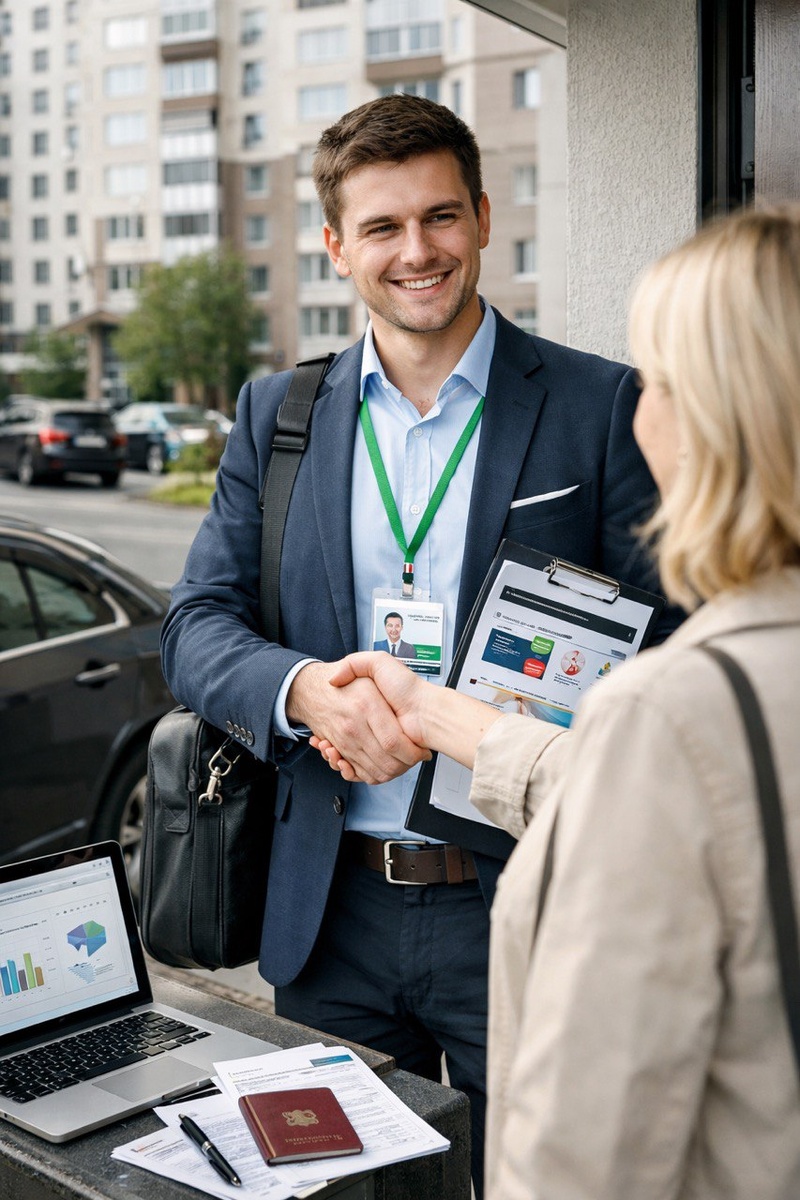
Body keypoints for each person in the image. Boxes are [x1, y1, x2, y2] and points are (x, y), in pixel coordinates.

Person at [161, 93, 677, 1193]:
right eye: (383, 228)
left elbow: (670, 649)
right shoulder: (277, 416)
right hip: (328, 906)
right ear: (337, 246)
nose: (417, 252)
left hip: (525, 898)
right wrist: (305, 692)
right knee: (337, 1189)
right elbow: (196, 623)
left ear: (485, 217)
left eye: (440, 217)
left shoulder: (599, 405)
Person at [315, 206, 800, 1198]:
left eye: (658, 379)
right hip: (342, 906)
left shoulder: (675, 712)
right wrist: (425, 709)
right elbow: (659, 788)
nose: (640, 407)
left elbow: (586, 1153)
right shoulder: (709, 709)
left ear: (715, 415)